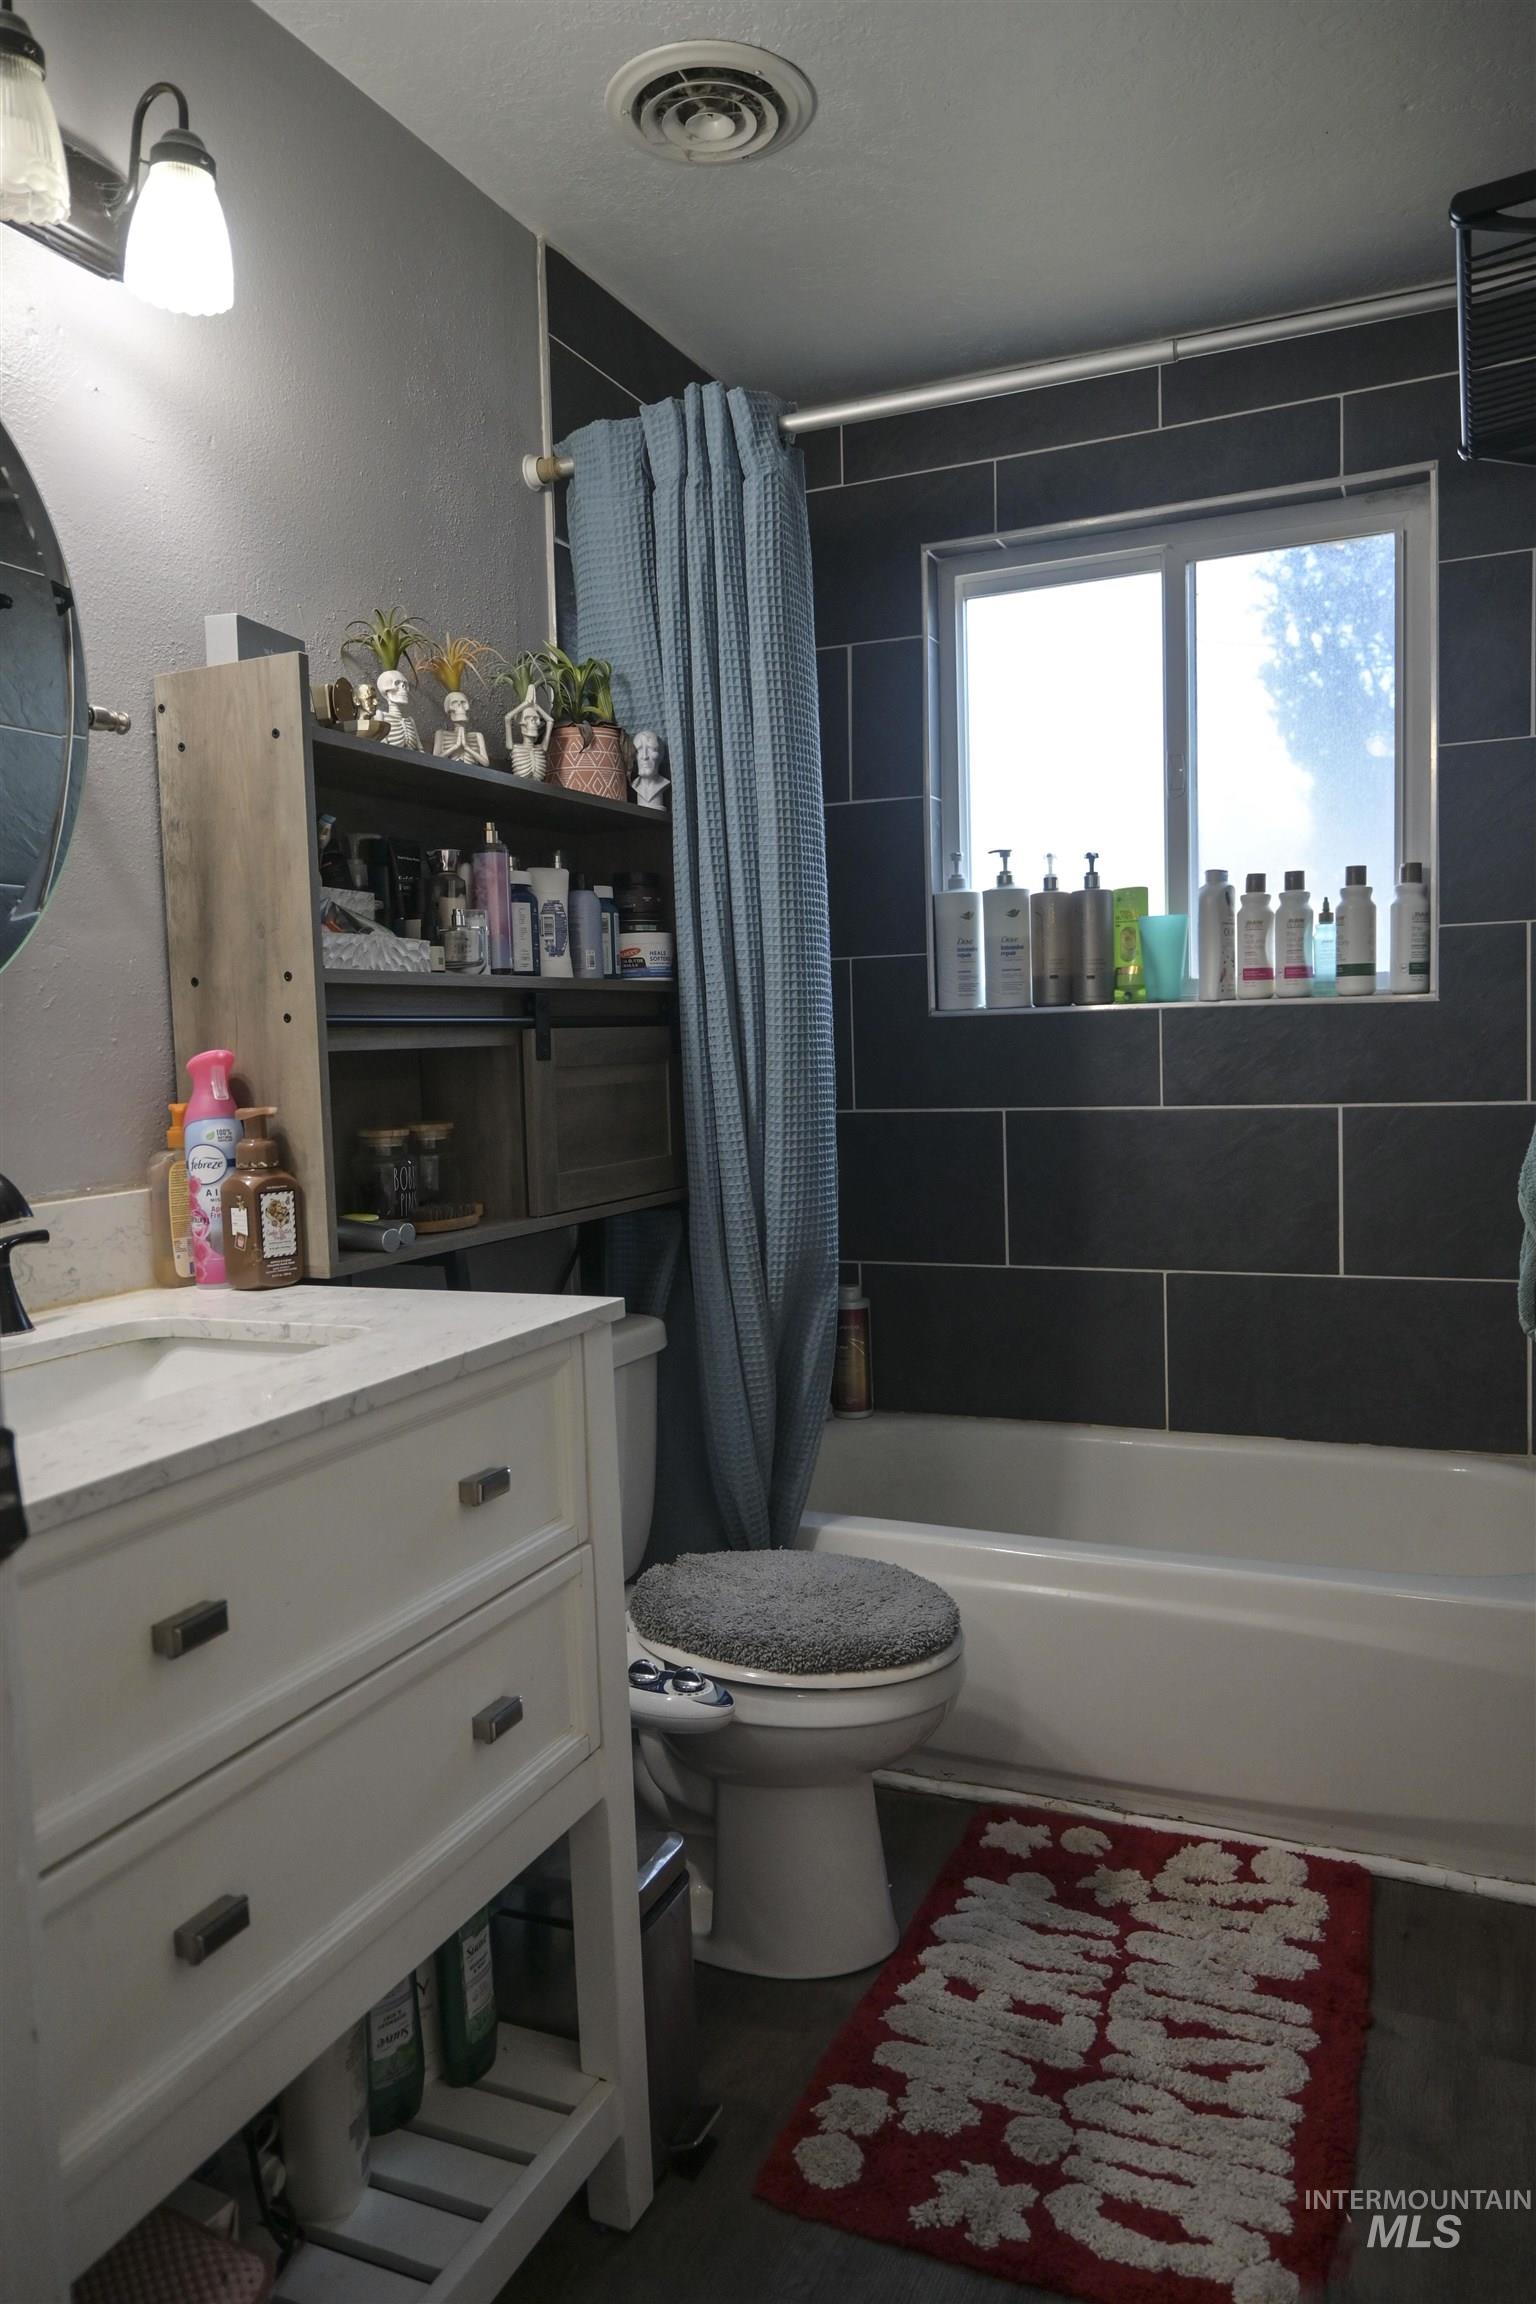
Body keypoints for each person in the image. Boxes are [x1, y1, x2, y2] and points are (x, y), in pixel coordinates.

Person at [432, 689, 489, 766]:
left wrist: (467, 747)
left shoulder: (478, 736)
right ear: (449, 710)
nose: (460, 706)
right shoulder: (441, 734)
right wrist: (456, 746)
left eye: (463, 703)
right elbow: (435, 760)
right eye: (454, 703)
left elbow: (486, 763)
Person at [507, 691, 553, 781]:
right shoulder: (514, 748)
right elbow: (508, 718)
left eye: (535, 719)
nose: (534, 721)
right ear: (522, 724)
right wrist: (525, 704)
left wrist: (537, 707)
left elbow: (550, 721)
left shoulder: (541, 748)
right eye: (528, 719)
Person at [375, 666, 421, 751]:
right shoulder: (380, 715)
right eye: (397, 683)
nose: (403, 687)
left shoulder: (410, 720)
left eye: (404, 684)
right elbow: (380, 745)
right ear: (386, 690)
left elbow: (420, 749)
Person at [630, 727, 670, 810]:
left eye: (652, 749)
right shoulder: (633, 785)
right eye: (639, 750)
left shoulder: (664, 783)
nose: (645, 756)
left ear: (661, 755)